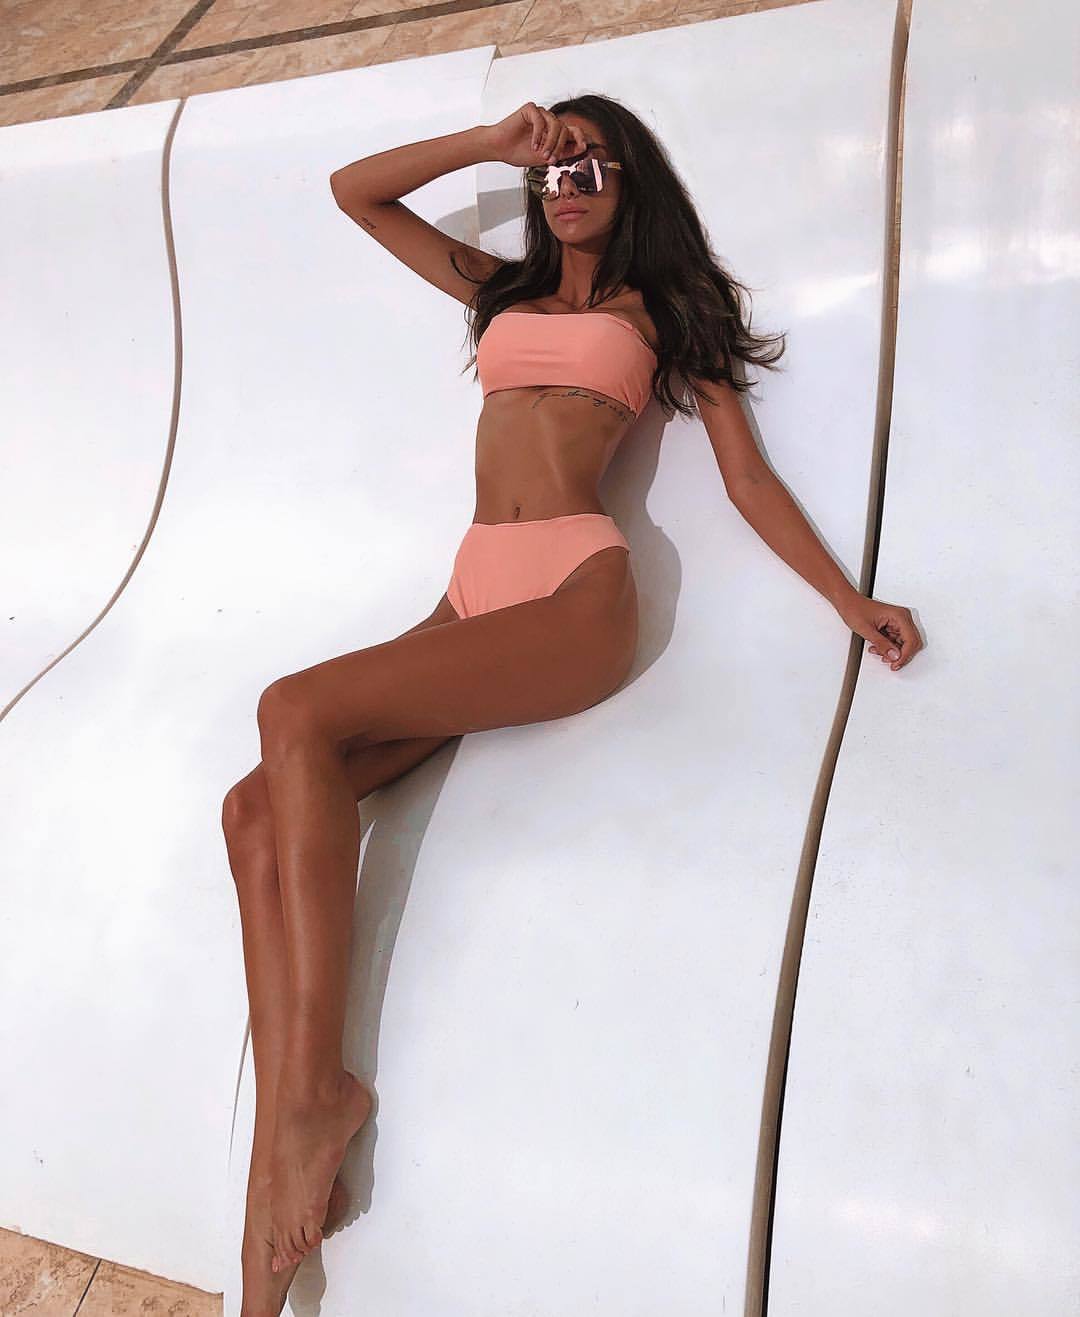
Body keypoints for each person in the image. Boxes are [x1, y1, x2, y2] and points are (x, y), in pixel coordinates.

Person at [221, 94, 923, 1310]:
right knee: (250, 814)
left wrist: (847, 600)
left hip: (572, 599)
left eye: (595, 164)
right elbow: (354, 192)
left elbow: (747, 482)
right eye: (557, 167)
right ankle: (272, 1222)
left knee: (293, 709)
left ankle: (312, 1094)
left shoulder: (668, 312)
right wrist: (490, 146)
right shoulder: (499, 292)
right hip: (469, 595)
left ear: (632, 180)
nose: (571, 183)